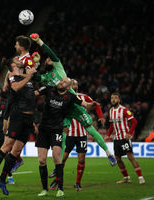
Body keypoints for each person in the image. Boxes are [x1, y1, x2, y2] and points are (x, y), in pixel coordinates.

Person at [30, 33, 116, 166]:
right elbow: (35, 78)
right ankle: (58, 165)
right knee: (62, 135)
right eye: (46, 60)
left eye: (49, 59)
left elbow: (52, 54)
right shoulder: (46, 76)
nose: (48, 60)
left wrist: (39, 42)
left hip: (73, 102)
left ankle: (108, 153)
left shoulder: (58, 67)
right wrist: (34, 65)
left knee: (90, 129)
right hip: (60, 108)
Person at [35, 77, 95, 197]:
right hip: (43, 129)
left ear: (67, 87)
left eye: (63, 82)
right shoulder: (49, 89)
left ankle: (60, 188)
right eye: (60, 81)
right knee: (41, 160)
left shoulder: (71, 96)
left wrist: (91, 105)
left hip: (57, 129)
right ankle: (44, 189)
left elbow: (84, 105)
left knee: (57, 158)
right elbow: (34, 94)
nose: (60, 82)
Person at [0, 57, 36, 195]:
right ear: (13, 64)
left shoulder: (24, 75)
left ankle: (2, 179)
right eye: (17, 59)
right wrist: (29, 77)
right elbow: (15, 87)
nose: (20, 60)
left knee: (16, 151)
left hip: (28, 118)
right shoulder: (13, 76)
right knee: (7, 146)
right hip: (18, 116)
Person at [49, 79, 105, 191]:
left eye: (76, 84)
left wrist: (101, 116)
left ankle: (78, 183)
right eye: (73, 84)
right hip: (69, 134)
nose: (75, 86)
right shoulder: (65, 97)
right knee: (62, 159)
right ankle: (57, 179)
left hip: (82, 134)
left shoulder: (84, 97)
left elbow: (96, 105)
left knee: (81, 159)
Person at [105, 92, 145, 184]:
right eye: (112, 98)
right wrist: (108, 135)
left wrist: (129, 133)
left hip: (125, 138)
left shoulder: (124, 110)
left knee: (130, 157)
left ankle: (140, 177)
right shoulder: (111, 111)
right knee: (118, 159)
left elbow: (134, 122)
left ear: (119, 100)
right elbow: (112, 125)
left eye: (115, 98)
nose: (113, 100)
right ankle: (126, 177)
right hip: (117, 139)